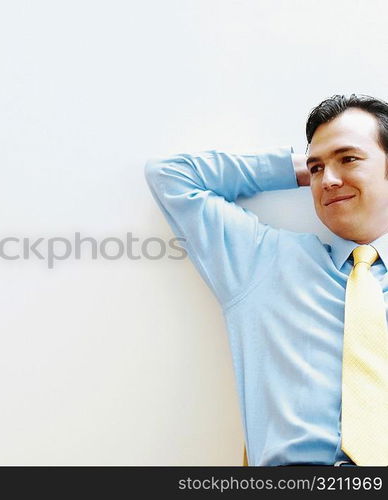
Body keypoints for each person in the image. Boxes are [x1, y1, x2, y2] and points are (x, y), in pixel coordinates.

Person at [144, 94, 388, 466]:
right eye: (318, 167)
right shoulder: (263, 262)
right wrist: (298, 169)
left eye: (348, 158)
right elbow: (171, 176)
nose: (329, 180)